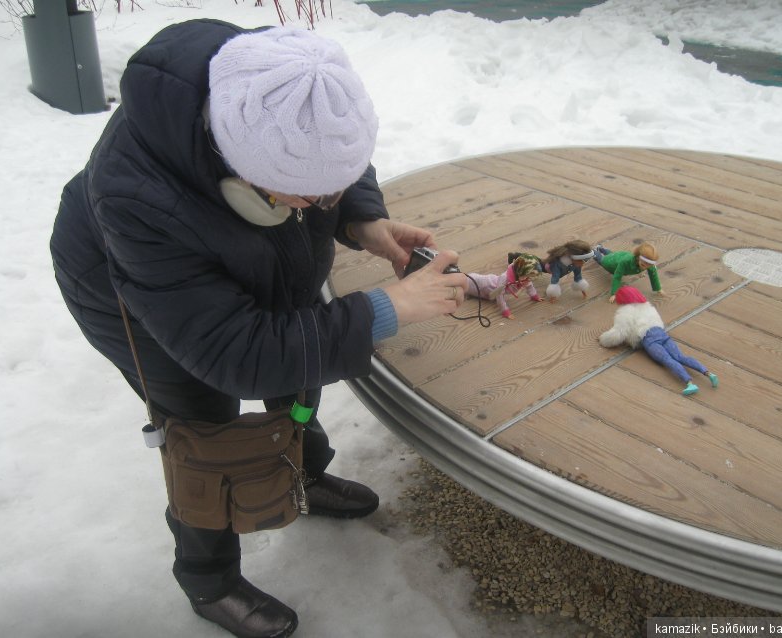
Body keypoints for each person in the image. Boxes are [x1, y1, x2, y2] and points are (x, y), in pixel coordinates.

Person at [50, 21, 468, 638]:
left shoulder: (284, 79)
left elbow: (332, 157)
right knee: (204, 426)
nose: (323, 202)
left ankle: (303, 473)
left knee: (301, 367)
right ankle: (209, 580)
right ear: (240, 170)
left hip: (260, 260)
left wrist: (362, 219)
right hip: (131, 296)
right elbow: (235, 353)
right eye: (308, 195)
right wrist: (389, 309)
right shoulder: (136, 196)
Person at [598, 286, 718, 396]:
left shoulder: (624, 312)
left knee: (667, 359)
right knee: (680, 356)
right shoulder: (647, 306)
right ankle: (709, 374)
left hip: (649, 340)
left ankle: (689, 383)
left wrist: (603, 340)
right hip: (661, 333)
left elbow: (618, 334)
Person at [593, 241, 664, 303]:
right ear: (638, 257)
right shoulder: (625, 262)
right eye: (643, 265)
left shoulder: (648, 264)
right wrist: (614, 293)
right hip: (612, 264)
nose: (646, 267)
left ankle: (600, 248)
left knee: (611, 254)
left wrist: (658, 289)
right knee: (602, 260)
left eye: (649, 265)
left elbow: (653, 274)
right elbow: (617, 276)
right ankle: (592, 252)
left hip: (619, 255)